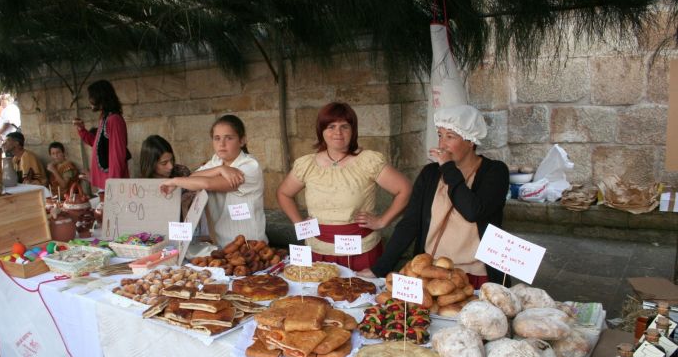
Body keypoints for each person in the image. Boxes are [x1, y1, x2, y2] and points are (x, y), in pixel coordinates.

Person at [358, 105, 510, 289]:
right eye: (440, 135)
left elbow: (472, 211)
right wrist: (379, 268)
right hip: (431, 271)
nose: (442, 144)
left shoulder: (495, 172)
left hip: (476, 274)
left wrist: (448, 168)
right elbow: (410, 223)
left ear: (471, 141)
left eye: (450, 136)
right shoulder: (430, 174)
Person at [276, 102, 412, 271]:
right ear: (321, 130)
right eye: (331, 126)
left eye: (344, 126)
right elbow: (284, 193)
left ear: (353, 130)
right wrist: (300, 224)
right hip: (318, 249)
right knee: (317, 295)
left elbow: (404, 189)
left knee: (362, 294)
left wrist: (382, 221)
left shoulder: (367, 161)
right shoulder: (307, 164)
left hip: (361, 250)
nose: (337, 133)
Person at [159, 115, 266, 245]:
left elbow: (207, 184)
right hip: (221, 244)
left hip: (250, 244)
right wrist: (219, 169)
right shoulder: (216, 161)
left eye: (229, 138)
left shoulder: (249, 166)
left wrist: (174, 181)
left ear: (242, 140)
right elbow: (193, 178)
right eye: (217, 138)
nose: (222, 144)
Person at [72, 80, 130, 189]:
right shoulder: (105, 118)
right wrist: (82, 130)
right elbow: (98, 145)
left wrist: (113, 186)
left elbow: (117, 156)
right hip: (106, 183)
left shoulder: (114, 120)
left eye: (91, 96)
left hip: (111, 185)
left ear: (100, 97)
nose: (89, 100)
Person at [139, 135, 193, 216]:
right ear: (151, 164)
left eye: (171, 160)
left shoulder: (181, 173)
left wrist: (185, 204)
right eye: (164, 163)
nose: (170, 166)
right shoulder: (142, 188)